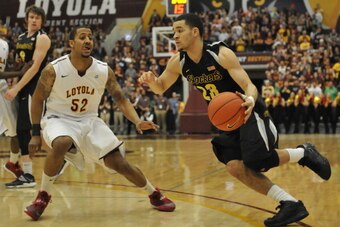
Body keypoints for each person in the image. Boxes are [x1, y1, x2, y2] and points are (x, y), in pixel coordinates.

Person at [138, 13, 331, 227]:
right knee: (235, 166)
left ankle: (304, 153)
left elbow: (249, 85)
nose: (175, 35)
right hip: (226, 121)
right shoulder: (179, 62)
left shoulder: (220, 53)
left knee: (258, 161)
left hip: (247, 111)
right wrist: (151, 81)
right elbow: (161, 87)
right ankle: (289, 202)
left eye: (180, 30)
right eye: (173, 31)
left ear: (195, 32)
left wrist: (249, 99)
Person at [24, 26, 176, 221]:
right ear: (71, 43)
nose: (88, 40)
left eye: (90, 37)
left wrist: (138, 121)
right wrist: (35, 133)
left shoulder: (103, 70)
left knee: (120, 164)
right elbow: (37, 99)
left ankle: (154, 193)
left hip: (90, 121)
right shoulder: (54, 69)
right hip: (58, 119)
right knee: (62, 142)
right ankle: (42, 197)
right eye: (82, 37)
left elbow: (121, 100)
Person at [4, 5, 51, 188]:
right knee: (22, 129)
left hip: (35, 87)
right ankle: (28, 175)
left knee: (38, 130)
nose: (34, 20)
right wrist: (13, 81)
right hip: (23, 87)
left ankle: (65, 156)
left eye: (37, 18)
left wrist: (16, 88)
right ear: (27, 19)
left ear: (41, 21)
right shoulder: (22, 37)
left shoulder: (43, 38)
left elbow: (34, 68)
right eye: (31, 17)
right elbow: (21, 64)